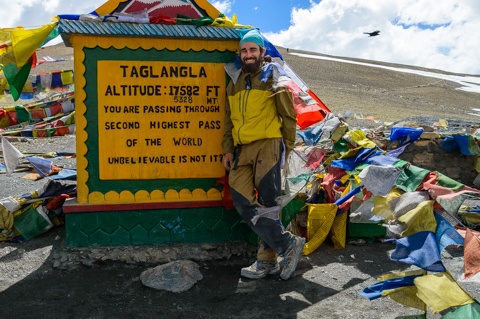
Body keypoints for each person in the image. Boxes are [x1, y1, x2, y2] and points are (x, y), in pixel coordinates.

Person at [222, 29, 306, 280]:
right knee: (241, 199)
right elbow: (228, 119)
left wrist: (286, 149)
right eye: (244, 50)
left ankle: (266, 261)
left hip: (268, 144)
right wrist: (227, 148)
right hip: (242, 148)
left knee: (269, 203)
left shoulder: (274, 76)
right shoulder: (234, 80)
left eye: (253, 50)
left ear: (262, 52)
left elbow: (288, 116)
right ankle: (287, 243)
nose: (248, 55)